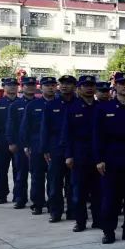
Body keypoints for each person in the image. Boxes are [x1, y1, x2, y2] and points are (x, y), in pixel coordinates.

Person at [93, 72, 125, 244]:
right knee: (110, 198)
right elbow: (97, 135)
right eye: (121, 83)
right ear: (115, 86)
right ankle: (108, 231)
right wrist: (99, 159)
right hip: (111, 158)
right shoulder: (104, 108)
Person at [62, 75, 101, 232]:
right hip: (79, 154)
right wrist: (69, 155)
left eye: (92, 85)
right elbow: (67, 134)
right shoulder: (72, 108)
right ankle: (80, 221)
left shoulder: (101, 107)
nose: (89, 88)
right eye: (85, 85)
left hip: (97, 154)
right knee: (79, 192)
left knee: (98, 191)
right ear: (79, 88)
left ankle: (98, 220)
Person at [41, 75, 76, 222]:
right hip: (56, 148)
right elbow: (45, 128)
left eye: (68, 83)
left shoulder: (79, 104)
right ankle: (55, 211)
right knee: (55, 182)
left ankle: (73, 212)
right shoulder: (51, 105)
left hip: (75, 148)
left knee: (73, 183)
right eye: (62, 83)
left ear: (74, 86)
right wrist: (45, 149)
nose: (64, 86)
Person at [21, 76, 55, 215]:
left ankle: (52, 203)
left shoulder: (59, 104)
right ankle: (37, 204)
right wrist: (26, 145)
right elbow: (25, 127)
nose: (50, 87)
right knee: (37, 177)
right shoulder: (33, 106)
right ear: (41, 88)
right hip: (36, 146)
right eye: (47, 85)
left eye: (53, 85)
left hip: (54, 146)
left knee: (54, 178)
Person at [6, 77, 38, 209]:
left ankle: (38, 199)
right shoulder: (16, 105)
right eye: (27, 85)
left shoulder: (40, 104)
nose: (30, 87)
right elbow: (10, 125)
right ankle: (20, 198)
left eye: (32, 85)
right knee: (21, 173)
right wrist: (11, 142)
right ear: (22, 87)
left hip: (36, 144)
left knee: (37, 174)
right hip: (20, 144)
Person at [0, 78, 19, 204]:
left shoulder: (21, 103)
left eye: (14, 85)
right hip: (1, 141)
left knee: (19, 170)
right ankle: (2, 195)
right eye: (9, 85)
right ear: (4, 87)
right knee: (1, 170)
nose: (12, 88)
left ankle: (18, 195)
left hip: (18, 141)